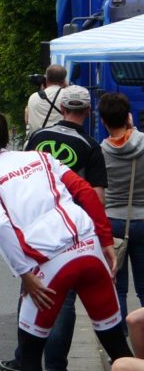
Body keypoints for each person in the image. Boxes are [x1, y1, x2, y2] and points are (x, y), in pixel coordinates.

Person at [0, 108, 131, 371]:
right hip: (89, 249)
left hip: (50, 265)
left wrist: (24, 273)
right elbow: (85, 192)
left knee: (30, 357)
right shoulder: (42, 158)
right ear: (6, 137)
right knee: (117, 346)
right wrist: (104, 241)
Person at [0, 85, 108, 371]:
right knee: (65, 300)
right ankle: (56, 365)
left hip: (34, 226)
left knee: (30, 291)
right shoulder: (90, 146)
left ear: (62, 109)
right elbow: (96, 196)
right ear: (87, 111)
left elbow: (18, 176)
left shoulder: (37, 136)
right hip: (69, 231)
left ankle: (23, 358)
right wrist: (100, 235)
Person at [99, 92, 144, 326]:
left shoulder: (101, 152)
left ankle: (120, 344)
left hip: (113, 223)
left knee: (118, 287)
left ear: (103, 121)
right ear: (128, 116)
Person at [25, 64, 67, 139]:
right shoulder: (67, 96)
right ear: (64, 80)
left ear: (46, 79)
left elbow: (27, 120)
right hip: (60, 142)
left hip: (37, 143)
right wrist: (66, 86)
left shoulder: (33, 97)